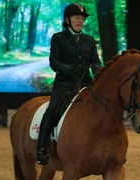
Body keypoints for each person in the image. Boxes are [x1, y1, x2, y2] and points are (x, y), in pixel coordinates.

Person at [36, 3, 101, 165]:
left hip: (86, 83)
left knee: (104, 107)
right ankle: (41, 149)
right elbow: (54, 62)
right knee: (52, 109)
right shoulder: (58, 38)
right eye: (77, 18)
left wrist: (99, 72)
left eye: (82, 18)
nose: (80, 21)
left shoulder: (89, 40)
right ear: (68, 20)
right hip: (65, 83)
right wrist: (68, 69)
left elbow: (96, 62)